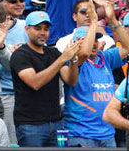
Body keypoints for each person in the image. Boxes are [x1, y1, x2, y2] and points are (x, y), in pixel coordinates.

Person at [10, 11, 84, 145]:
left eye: (46, 29)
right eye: (37, 28)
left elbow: (71, 80)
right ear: (27, 29)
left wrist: (73, 60)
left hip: (56, 122)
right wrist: (62, 59)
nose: (42, 32)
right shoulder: (20, 55)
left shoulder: (54, 53)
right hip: (30, 125)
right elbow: (35, 83)